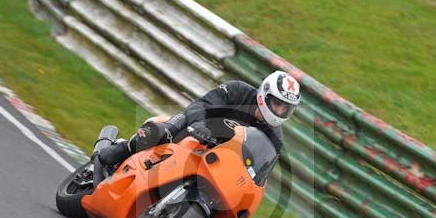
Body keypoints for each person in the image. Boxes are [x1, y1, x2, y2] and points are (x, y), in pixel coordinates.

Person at [95, 70, 301, 167]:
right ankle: (120, 150)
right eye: (277, 103)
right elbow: (201, 103)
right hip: (194, 129)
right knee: (161, 132)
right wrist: (198, 124)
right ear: (265, 94)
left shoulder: (275, 137)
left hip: (218, 159)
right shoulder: (238, 90)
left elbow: (262, 168)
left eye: (285, 108)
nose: (280, 110)